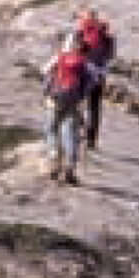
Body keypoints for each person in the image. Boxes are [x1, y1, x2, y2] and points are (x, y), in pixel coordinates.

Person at [42, 40, 98, 184]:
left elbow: (45, 70)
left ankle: (54, 159)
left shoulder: (60, 57)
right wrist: (82, 97)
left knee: (52, 129)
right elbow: (93, 82)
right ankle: (70, 168)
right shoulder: (87, 64)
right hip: (74, 102)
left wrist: (47, 92)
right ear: (86, 52)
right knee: (71, 133)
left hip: (55, 98)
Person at [68, 8, 118, 154]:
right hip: (99, 76)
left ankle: (77, 130)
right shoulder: (107, 37)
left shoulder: (80, 33)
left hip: (81, 73)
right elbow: (110, 57)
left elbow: (72, 52)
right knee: (94, 107)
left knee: (76, 102)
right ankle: (91, 140)